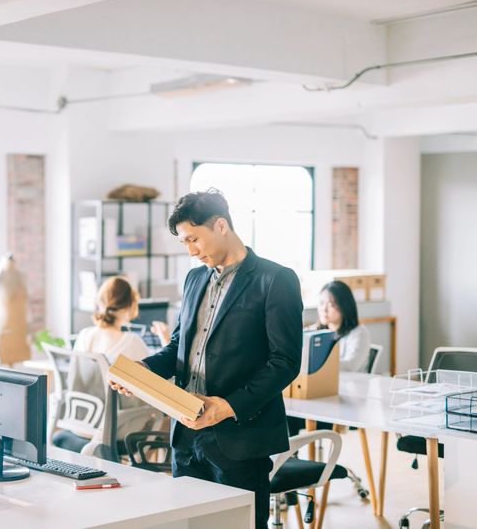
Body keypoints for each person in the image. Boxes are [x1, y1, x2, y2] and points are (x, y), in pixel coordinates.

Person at [110, 190, 302, 529]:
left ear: (221, 225)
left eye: (194, 239)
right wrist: (143, 371)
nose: (191, 250)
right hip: (186, 435)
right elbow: (178, 349)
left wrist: (226, 406)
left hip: (240, 438)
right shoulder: (194, 278)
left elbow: (284, 362)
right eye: (185, 242)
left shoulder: (275, 279)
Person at [55, 276, 161, 452]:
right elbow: (155, 384)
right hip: (115, 430)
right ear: (130, 305)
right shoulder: (131, 342)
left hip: (80, 424)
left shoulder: (84, 335)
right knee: (163, 416)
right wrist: (166, 341)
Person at [317, 280, 372, 373]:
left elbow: (350, 366)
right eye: (321, 303)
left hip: (353, 384)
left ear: (344, 306)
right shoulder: (316, 331)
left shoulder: (360, 333)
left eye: (331, 304)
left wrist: (317, 363)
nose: (324, 309)